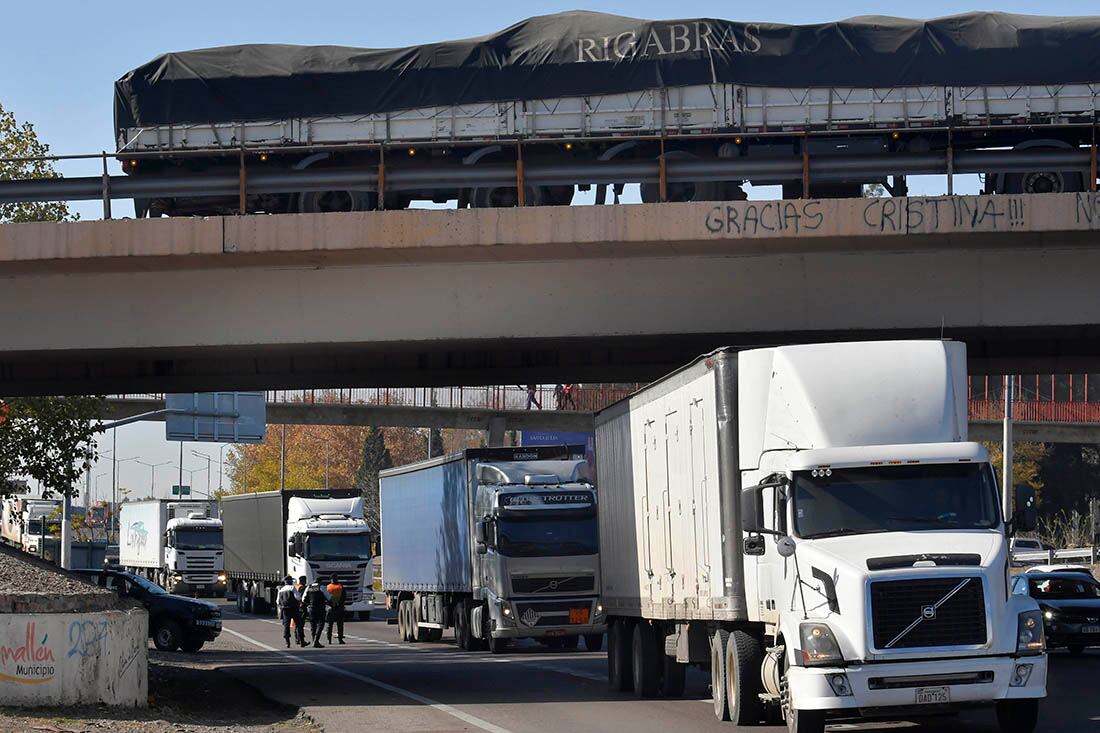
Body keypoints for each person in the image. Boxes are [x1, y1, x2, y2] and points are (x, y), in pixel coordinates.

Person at [276, 576, 302, 648]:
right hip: (294, 608)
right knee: (299, 624)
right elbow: (298, 597)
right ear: (290, 581)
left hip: (285, 610)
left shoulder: (281, 589)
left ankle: (287, 642)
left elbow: (278, 601)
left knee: (286, 626)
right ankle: (302, 641)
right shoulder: (292, 588)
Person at [302, 578, 328, 648]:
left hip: (311, 609)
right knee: (320, 624)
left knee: (313, 625)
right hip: (320, 608)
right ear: (320, 582)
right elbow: (328, 597)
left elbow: (303, 599)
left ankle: (314, 640)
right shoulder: (321, 587)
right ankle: (316, 641)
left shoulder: (309, 587)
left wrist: (309, 604)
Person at [325, 575, 347, 645]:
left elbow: (325, 597)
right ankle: (340, 640)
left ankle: (329, 640)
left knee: (329, 625)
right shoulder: (341, 586)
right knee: (340, 624)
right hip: (339, 608)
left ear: (331, 579)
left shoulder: (327, 587)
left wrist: (329, 604)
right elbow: (344, 597)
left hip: (330, 608)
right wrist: (341, 604)